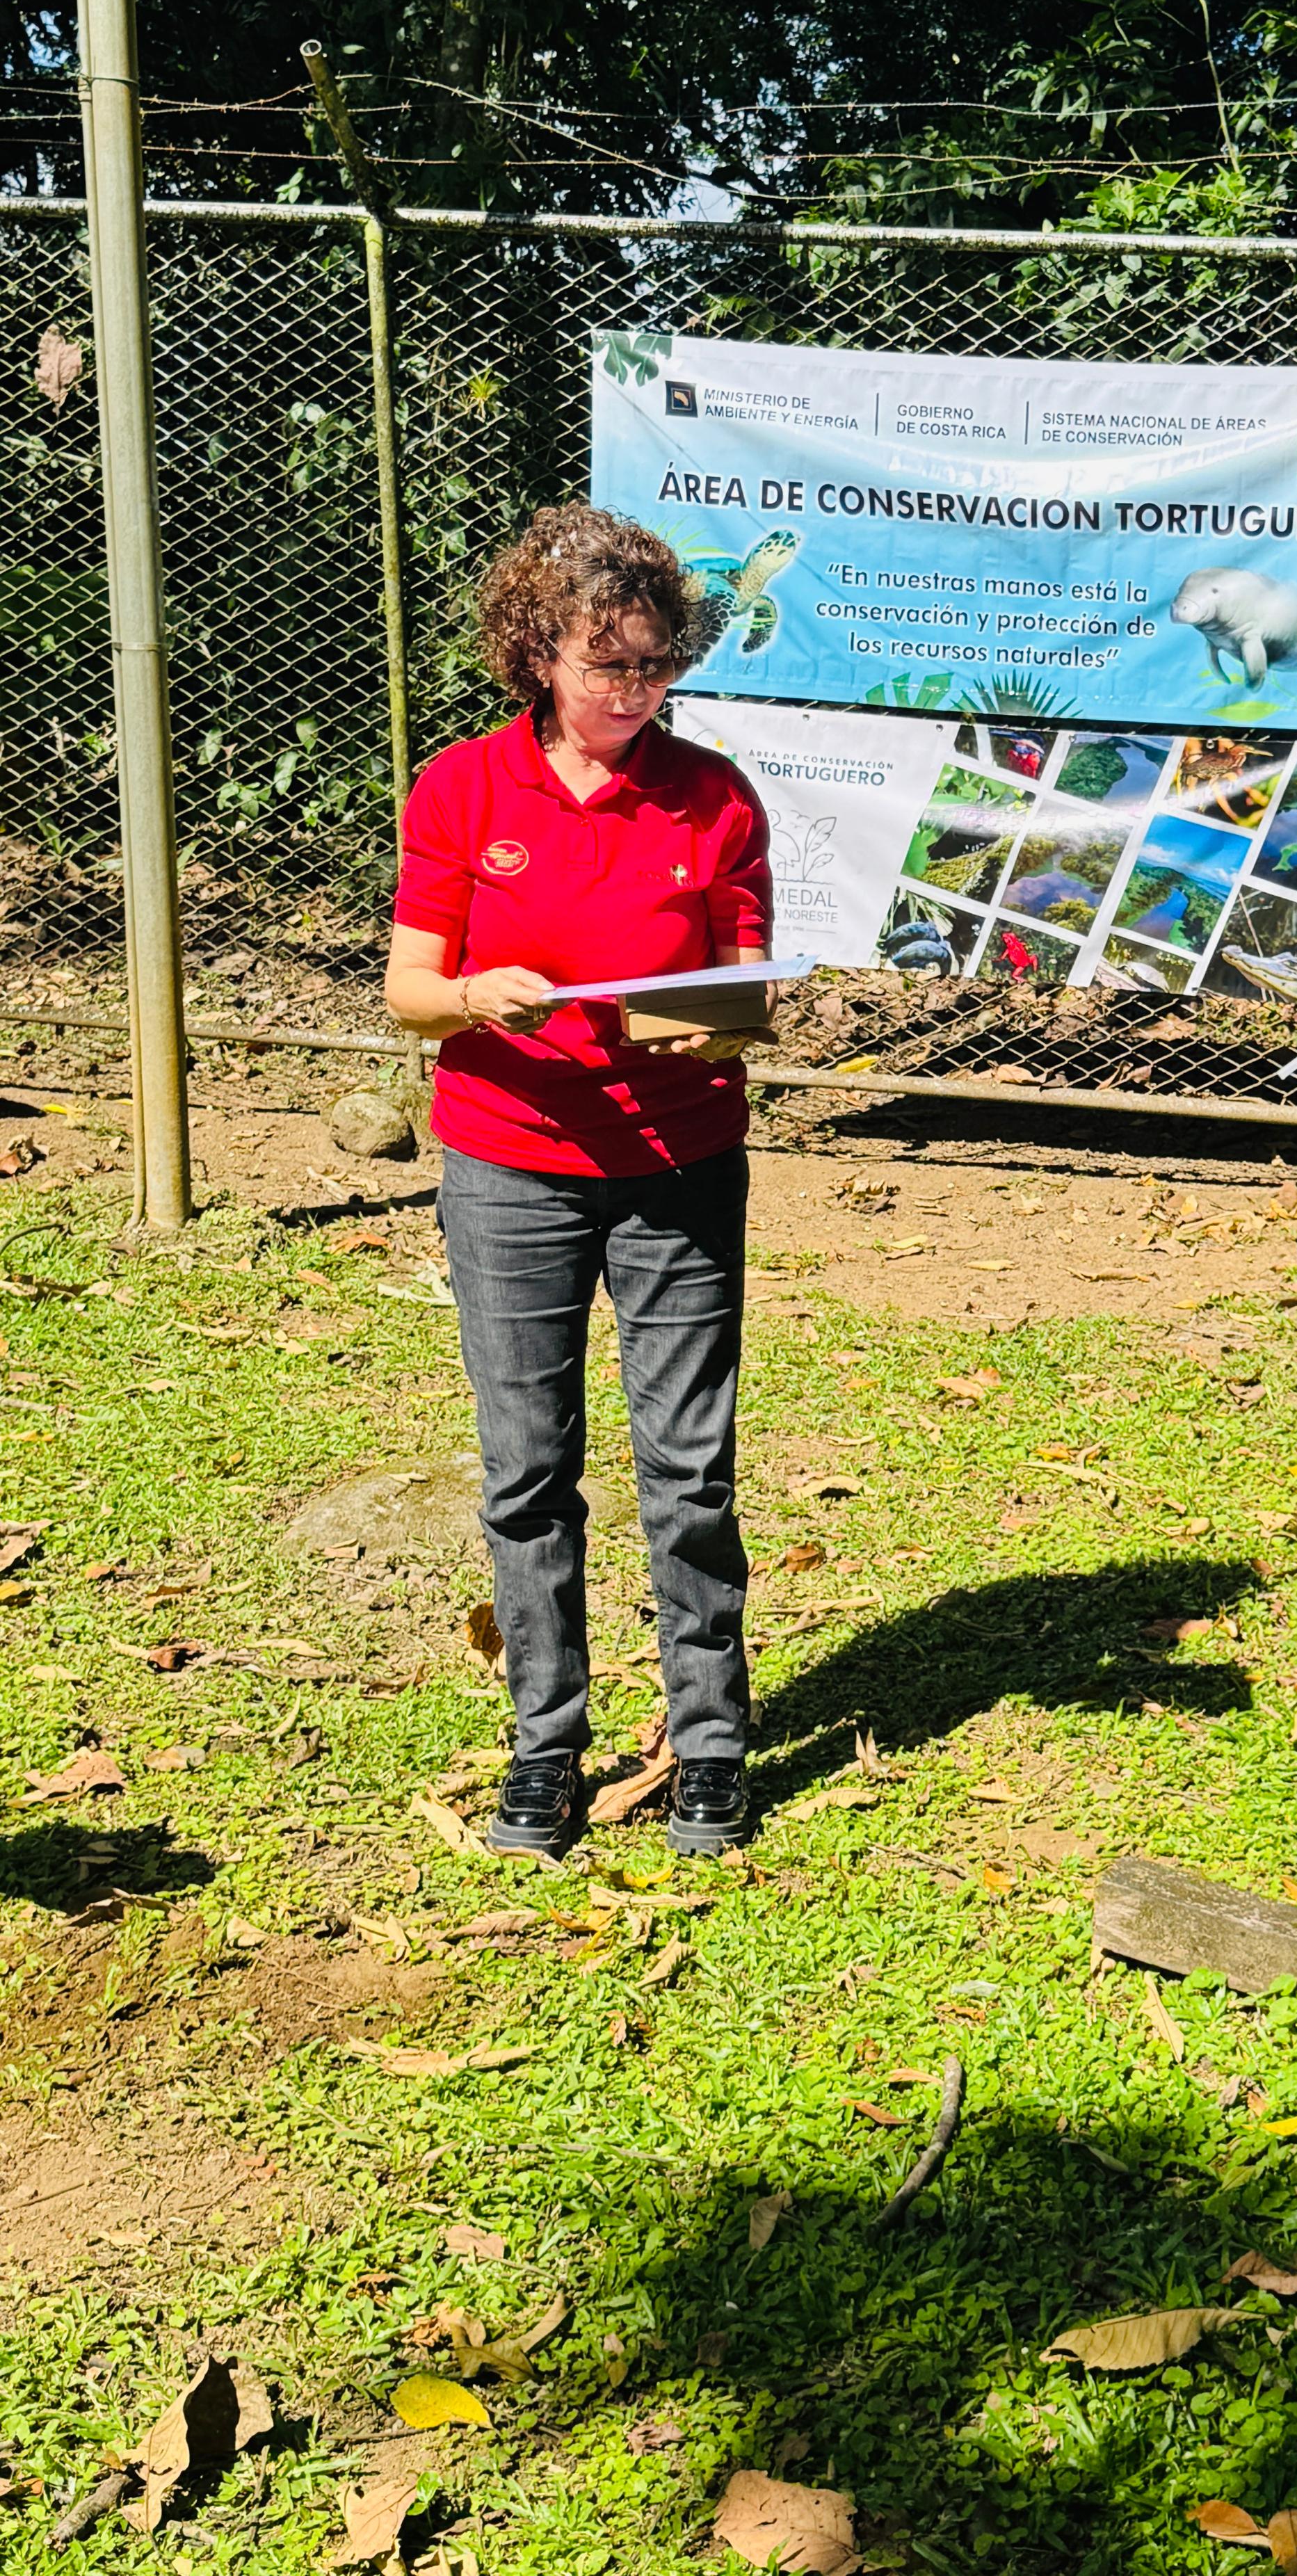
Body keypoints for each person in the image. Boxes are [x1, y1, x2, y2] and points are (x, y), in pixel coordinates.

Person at [385, 503, 775, 1861]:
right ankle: (544, 1749)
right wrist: (471, 997)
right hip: (510, 1162)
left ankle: (710, 1745)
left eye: (657, 664)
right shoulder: (464, 790)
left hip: (678, 1162)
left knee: (690, 1469)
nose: (635, 690)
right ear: (539, 653)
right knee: (527, 1468)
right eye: (609, 664)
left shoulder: (715, 797)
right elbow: (409, 986)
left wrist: (706, 1025)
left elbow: (742, 996)